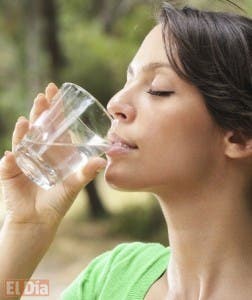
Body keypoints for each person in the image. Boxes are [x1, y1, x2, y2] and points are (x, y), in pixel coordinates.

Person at [0, 2, 251, 299]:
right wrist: (25, 228)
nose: (115, 103)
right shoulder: (112, 277)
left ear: (238, 137)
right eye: (128, 80)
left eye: (158, 88)